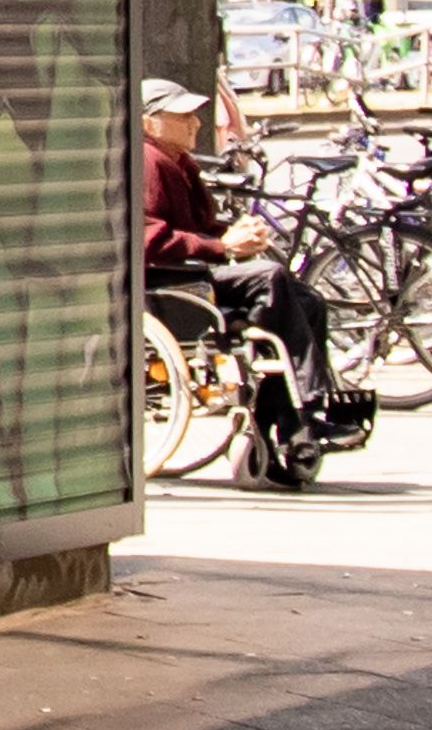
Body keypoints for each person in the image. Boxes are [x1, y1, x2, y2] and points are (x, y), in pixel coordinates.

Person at [139, 75, 364, 481]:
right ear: (147, 122)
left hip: (194, 272)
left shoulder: (180, 164)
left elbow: (198, 227)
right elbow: (149, 238)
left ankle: (292, 425)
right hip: (168, 281)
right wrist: (222, 246)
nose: (196, 124)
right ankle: (307, 409)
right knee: (270, 277)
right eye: (183, 116)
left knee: (307, 301)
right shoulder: (148, 163)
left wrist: (235, 235)